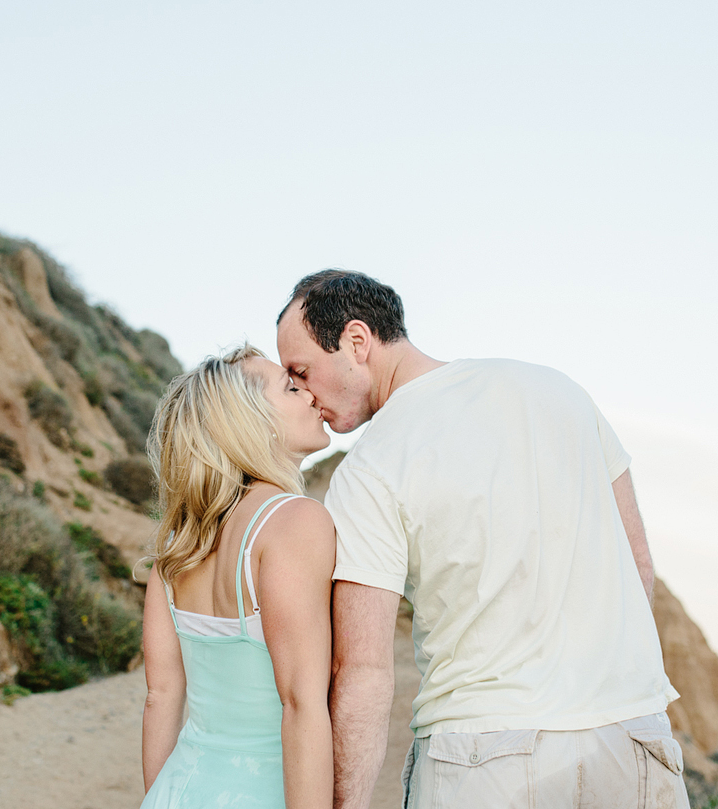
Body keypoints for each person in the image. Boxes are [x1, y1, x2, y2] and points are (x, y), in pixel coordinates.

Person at [273, 269, 689, 809]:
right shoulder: (559, 390)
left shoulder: (371, 467)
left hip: (485, 758)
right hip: (631, 741)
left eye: (301, 371)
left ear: (356, 341)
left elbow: (364, 673)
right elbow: (638, 569)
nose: (303, 393)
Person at [141, 345, 340, 809]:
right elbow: (301, 706)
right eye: (291, 388)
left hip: (178, 790)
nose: (310, 395)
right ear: (248, 420)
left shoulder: (178, 545)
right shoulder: (295, 522)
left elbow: (161, 696)